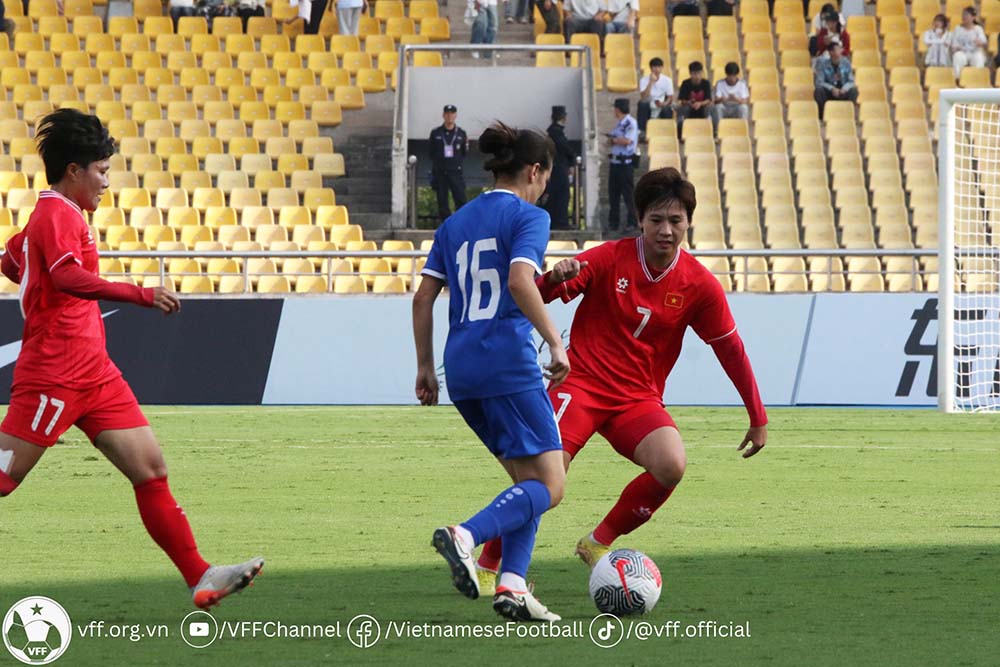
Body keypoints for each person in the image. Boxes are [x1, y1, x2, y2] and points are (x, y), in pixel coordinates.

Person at [0, 109, 263, 609]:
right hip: (53, 373)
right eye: (100, 171)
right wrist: (139, 294)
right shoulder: (56, 215)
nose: (106, 182)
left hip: (95, 374)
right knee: (5, 479)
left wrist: (27, 259)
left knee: (150, 468)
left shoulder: (53, 217)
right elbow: (65, 278)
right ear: (74, 171)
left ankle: (200, 576)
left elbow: (14, 263)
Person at [474, 167, 767, 585]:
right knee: (543, 479)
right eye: (656, 220)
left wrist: (757, 416)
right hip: (581, 384)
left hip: (637, 400)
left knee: (671, 465)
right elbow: (536, 296)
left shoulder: (700, 285)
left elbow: (730, 348)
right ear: (640, 220)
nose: (666, 230)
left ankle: (597, 543)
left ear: (688, 222)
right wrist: (553, 279)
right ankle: (487, 565)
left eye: (676, 220)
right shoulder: (609, 256)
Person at [413, 121, 568, 623]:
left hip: (460, 368)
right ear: (535, 170)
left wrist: (424, 366)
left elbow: (423, 298)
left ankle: (513, 586)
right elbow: (520, 281)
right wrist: (554, 339)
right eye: (547, 174)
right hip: (507, 361)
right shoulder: (530, 217)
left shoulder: (454, 224)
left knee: (528, 482)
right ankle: (466, 535)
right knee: (552, 484)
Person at [429, 105, 469, 223]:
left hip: (455, 171)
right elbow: (431, 152)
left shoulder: (461, 133)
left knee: (460, 197)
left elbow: (464, 153)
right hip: (440, 171)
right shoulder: (436, 132)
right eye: (447, 113)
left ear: (455, 115)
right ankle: (445, 224)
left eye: (452, 113)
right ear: (443, 115)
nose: (449, 116)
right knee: (442, 200)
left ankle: (461, 223)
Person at [542, 105, 576, 230]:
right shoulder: (556, 132)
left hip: (558, 166)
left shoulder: (554, 131)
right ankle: (560, 221)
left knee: (560, 194)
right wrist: (572, 158)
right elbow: (564, 147)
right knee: (562, 194)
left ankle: (559, 220)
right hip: (559, 168)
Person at [608, 98, 638, 231]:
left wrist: (614, 140)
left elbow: (628, 140)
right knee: (613, 194)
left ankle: (632, 222)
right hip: (615, 163)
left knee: (628, 195)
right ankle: (613, 222)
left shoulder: (630, 122)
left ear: (618, 109)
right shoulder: (619, 123)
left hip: (625, 163)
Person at [813, 42, 857, 118]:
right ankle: (822, 115)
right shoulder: (823, 64)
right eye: (838, 49)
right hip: (829, 93)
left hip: (842, 92)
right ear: (831, 52)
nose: (841, 50)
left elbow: (851, 81)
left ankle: (848, 114)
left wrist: (844, 89)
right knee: (818, 90)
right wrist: (832, 88)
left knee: (854, 90)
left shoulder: (846, 63)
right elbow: (819, 82)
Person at [637, 57, 674, 137]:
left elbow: (670, 97)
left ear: (662, 68)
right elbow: (643, 97)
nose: (657, 69)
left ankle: (666, 131)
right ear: (651, 68)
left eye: (659, 67)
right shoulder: (644, 80)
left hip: (662, 103)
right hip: (649, 103)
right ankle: (642, 131)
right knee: (642, 103)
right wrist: (651, 82)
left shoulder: (667, 80)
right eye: (654, 67)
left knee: (667, 108)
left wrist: (664, 103)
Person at [675, 60, 713, 137]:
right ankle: (681, 130)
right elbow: (681, 100)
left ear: (702, 73)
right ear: (690, 74)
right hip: (689, 107)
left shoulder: (706, 83)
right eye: (694, 74)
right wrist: (689, 102)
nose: (697, 76)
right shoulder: (685, 83)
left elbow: (708, 100)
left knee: (709, 108)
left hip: (702, 107)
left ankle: (710, 130)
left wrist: (700, 103)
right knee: (682, 109)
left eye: (699, 73)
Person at [951, 7, 988, 78]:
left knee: (979, 57)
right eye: (963, 15)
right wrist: (956, 48)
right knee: (957, 56)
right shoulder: (958, 29)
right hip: (962, 52)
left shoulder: (978, 29)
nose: (963, 17)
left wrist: (980, 43)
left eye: (966, 15)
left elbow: (984, 42)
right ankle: (958, 80)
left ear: (973, 17)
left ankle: (977, 80)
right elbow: (954, 45)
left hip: (975, 52)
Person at [711, 61, 749, 128]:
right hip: (725, 106)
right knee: (718, 107)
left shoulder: (742, 84)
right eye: (730, 76)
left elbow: (745, 101)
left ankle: (743, 128)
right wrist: (723, 99)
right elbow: (715, 101)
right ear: (726, 74)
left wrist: (736, 99)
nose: (732, 78)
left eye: (733, 76)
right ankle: (718, 129)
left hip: (736, 107)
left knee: (744, 108)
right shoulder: (720, 83)